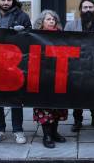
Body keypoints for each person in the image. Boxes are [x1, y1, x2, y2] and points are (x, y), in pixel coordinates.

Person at [0, 0, 31, 145]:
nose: (5, 2)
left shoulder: (22, 17)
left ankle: (18, 130)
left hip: (15, 64)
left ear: (13, 1)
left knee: (15, 98)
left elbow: (31, 38)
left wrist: (24, 32)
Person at [65, 0, 94, 132]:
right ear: (80, 10)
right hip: (77, 66)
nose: (88, 10)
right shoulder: (70, 26)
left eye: (90, 7)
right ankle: (77, 120)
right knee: (77, 94)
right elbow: (65, 44)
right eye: (85, 7)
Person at [33, 10, 68, 148]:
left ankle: (54, 133)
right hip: (42, 77)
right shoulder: (35, 36)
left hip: (59, 76)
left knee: (57, 105)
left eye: (53, 19)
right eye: (48, 19)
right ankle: (47, 135)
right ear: (42, 21)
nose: (51, 21)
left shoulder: (62, 36)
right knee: (44, 106)